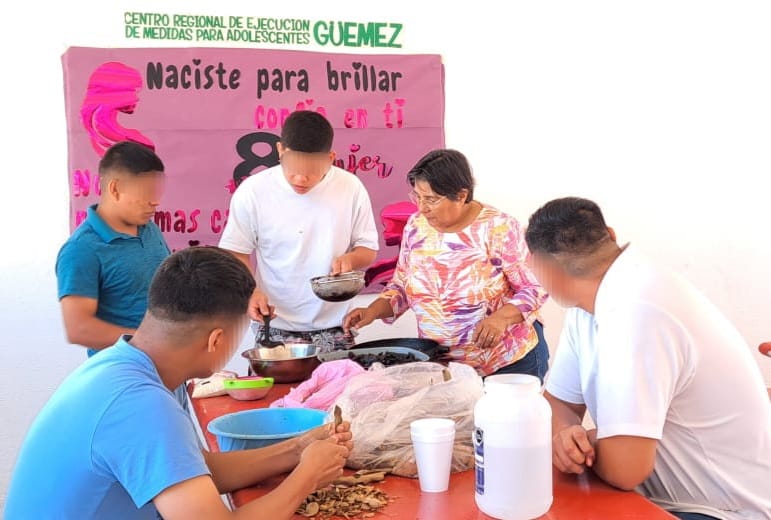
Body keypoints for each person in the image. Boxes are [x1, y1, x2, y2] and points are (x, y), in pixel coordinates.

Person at [6, 246, 352, 519]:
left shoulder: (120, 365)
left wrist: (299, 449)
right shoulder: (139, 404)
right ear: (216, 340)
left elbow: (200, 469)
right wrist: (306, 478)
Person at [524, 197, 771, 520]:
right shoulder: (588, 304)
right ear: (610, 234)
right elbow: (558, 405)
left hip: (723, 509)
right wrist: (566, 436)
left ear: (545, 270)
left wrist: (581, 443)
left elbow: (626, 468)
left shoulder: (638, 309)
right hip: (664, 498)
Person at [344, 149, 549, 379]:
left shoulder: (499, 229)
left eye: (431, 199)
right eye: (417, 197)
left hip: (505, 364)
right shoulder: (416, 226)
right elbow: (402, 285)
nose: (421, 207)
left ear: (461, 195)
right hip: (443, 367)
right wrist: (372, 311)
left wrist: (500, 319)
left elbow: (535, 287)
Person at [219, 110, 379, 351]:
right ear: (280, 150)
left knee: (342, 388)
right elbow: (236, 251)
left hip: (336, 324)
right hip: (274, 324)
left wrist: (351, 259)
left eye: (312, 171)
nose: (301, 179)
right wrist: (250, 291)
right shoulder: (253, 191)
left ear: (330, 158)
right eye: (292, 168)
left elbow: (368, 249)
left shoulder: (350, 187)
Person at [55, 140, 189, 406]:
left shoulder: (149, 229)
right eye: (146, 192)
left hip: (171, 375)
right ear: (115, 189)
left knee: (182, 446)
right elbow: (79, 328)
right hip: (125, 381)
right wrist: (155, 341)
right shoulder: (81, 250)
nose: (156, 201)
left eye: (158, 190)